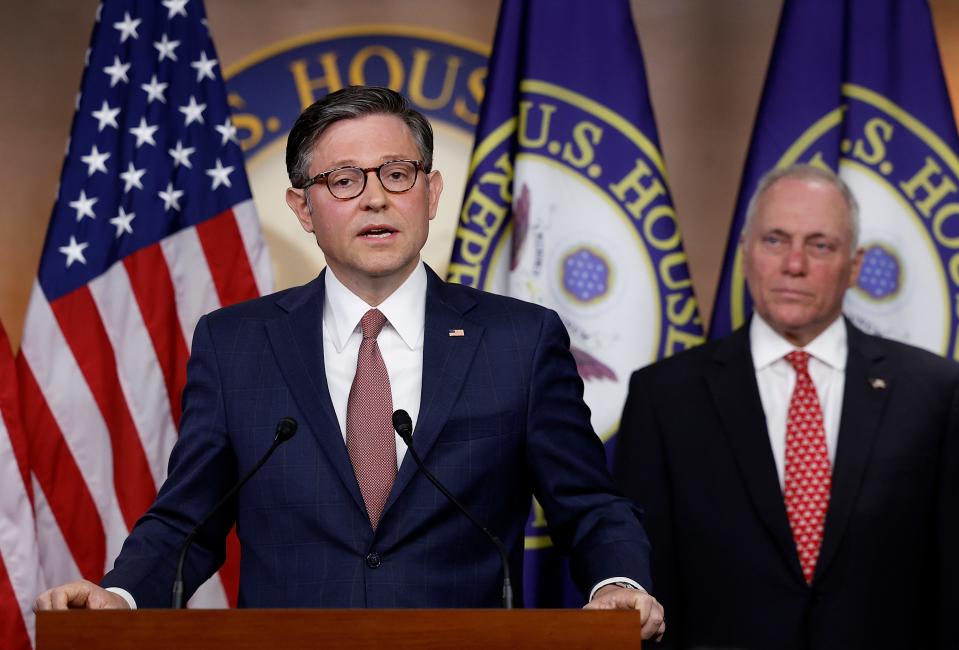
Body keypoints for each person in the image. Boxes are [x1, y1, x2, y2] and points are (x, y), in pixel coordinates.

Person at [34, 86, 665, 639]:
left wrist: (619, 582)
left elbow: (591, 504)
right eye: (343, 180)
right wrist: (118, 597)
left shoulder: (519, 341)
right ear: (303, 208)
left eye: (397, 173)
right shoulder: (237, 345)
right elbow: (187, 520)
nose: (375, 199)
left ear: (431, 191)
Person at [613, 163, 959, 650]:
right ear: (745, 253)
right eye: (774, 240)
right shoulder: (666, 395)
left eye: (820, 245)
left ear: (855, 265)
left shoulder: (935, 391)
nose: (793, 264)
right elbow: (645, 573)